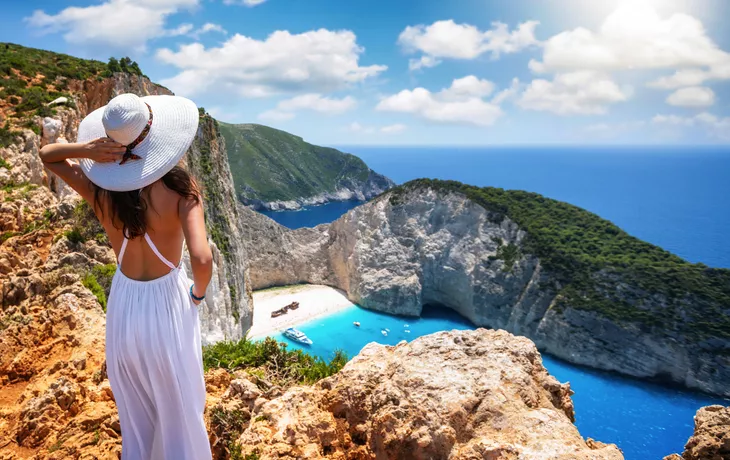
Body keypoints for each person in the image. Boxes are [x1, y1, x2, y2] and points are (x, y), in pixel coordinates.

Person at [39, 93, 214, 460]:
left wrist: (88, 150)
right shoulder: (182, 192)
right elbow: (201, 258)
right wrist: (196, 296)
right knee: (179, 408)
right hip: (167, 306)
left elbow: (48, 155)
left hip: (124, 308)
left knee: (137, 413)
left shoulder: (100, 193)